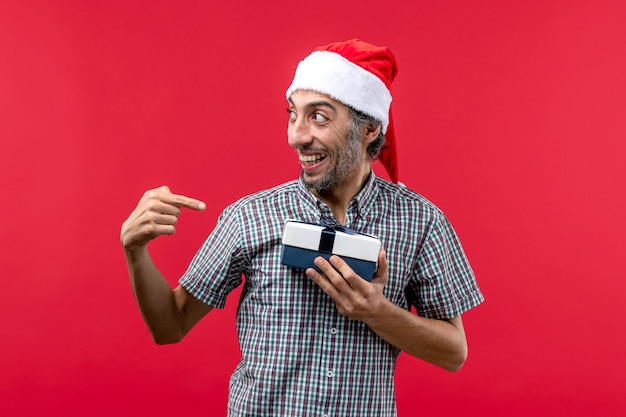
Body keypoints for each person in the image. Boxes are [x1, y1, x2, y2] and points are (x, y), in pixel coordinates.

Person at [121, 39, 484, 417]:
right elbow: (170, 326)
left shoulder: (420, 222)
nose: (296, 136)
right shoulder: (249, 216)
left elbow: (454, 352)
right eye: (293, 114)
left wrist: (376, 311)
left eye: (319, 117)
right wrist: (136, 251)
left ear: (370, 128)